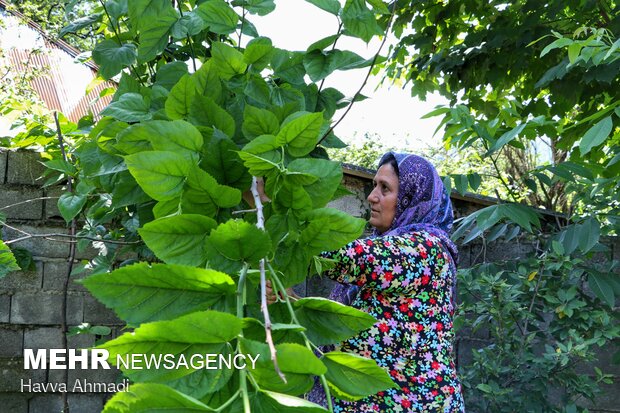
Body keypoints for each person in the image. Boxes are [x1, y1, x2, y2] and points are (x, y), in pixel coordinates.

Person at [269, 152, 465, 412]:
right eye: (375, 185)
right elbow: (342, 325)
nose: (372, 196)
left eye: (385, 189)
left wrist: (277, 210)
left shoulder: (427, 249)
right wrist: (289, 299)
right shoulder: (389, 248)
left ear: (412, 196)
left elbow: (350, 258)